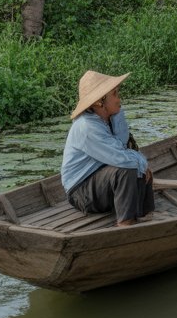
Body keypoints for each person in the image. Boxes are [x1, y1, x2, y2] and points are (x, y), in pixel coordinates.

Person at [61, 71, 154, 227]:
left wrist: (117, 115)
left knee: (139, 168)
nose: (119, 99)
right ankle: (125, 223)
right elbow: (120, 158)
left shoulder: (110, 118)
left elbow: (122, 144)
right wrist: (142, 164)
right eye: (115, 94)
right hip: (81, 193)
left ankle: (146, 215)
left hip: (99, 180)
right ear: (99, 102)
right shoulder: (87, 127)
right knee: (127, 169)